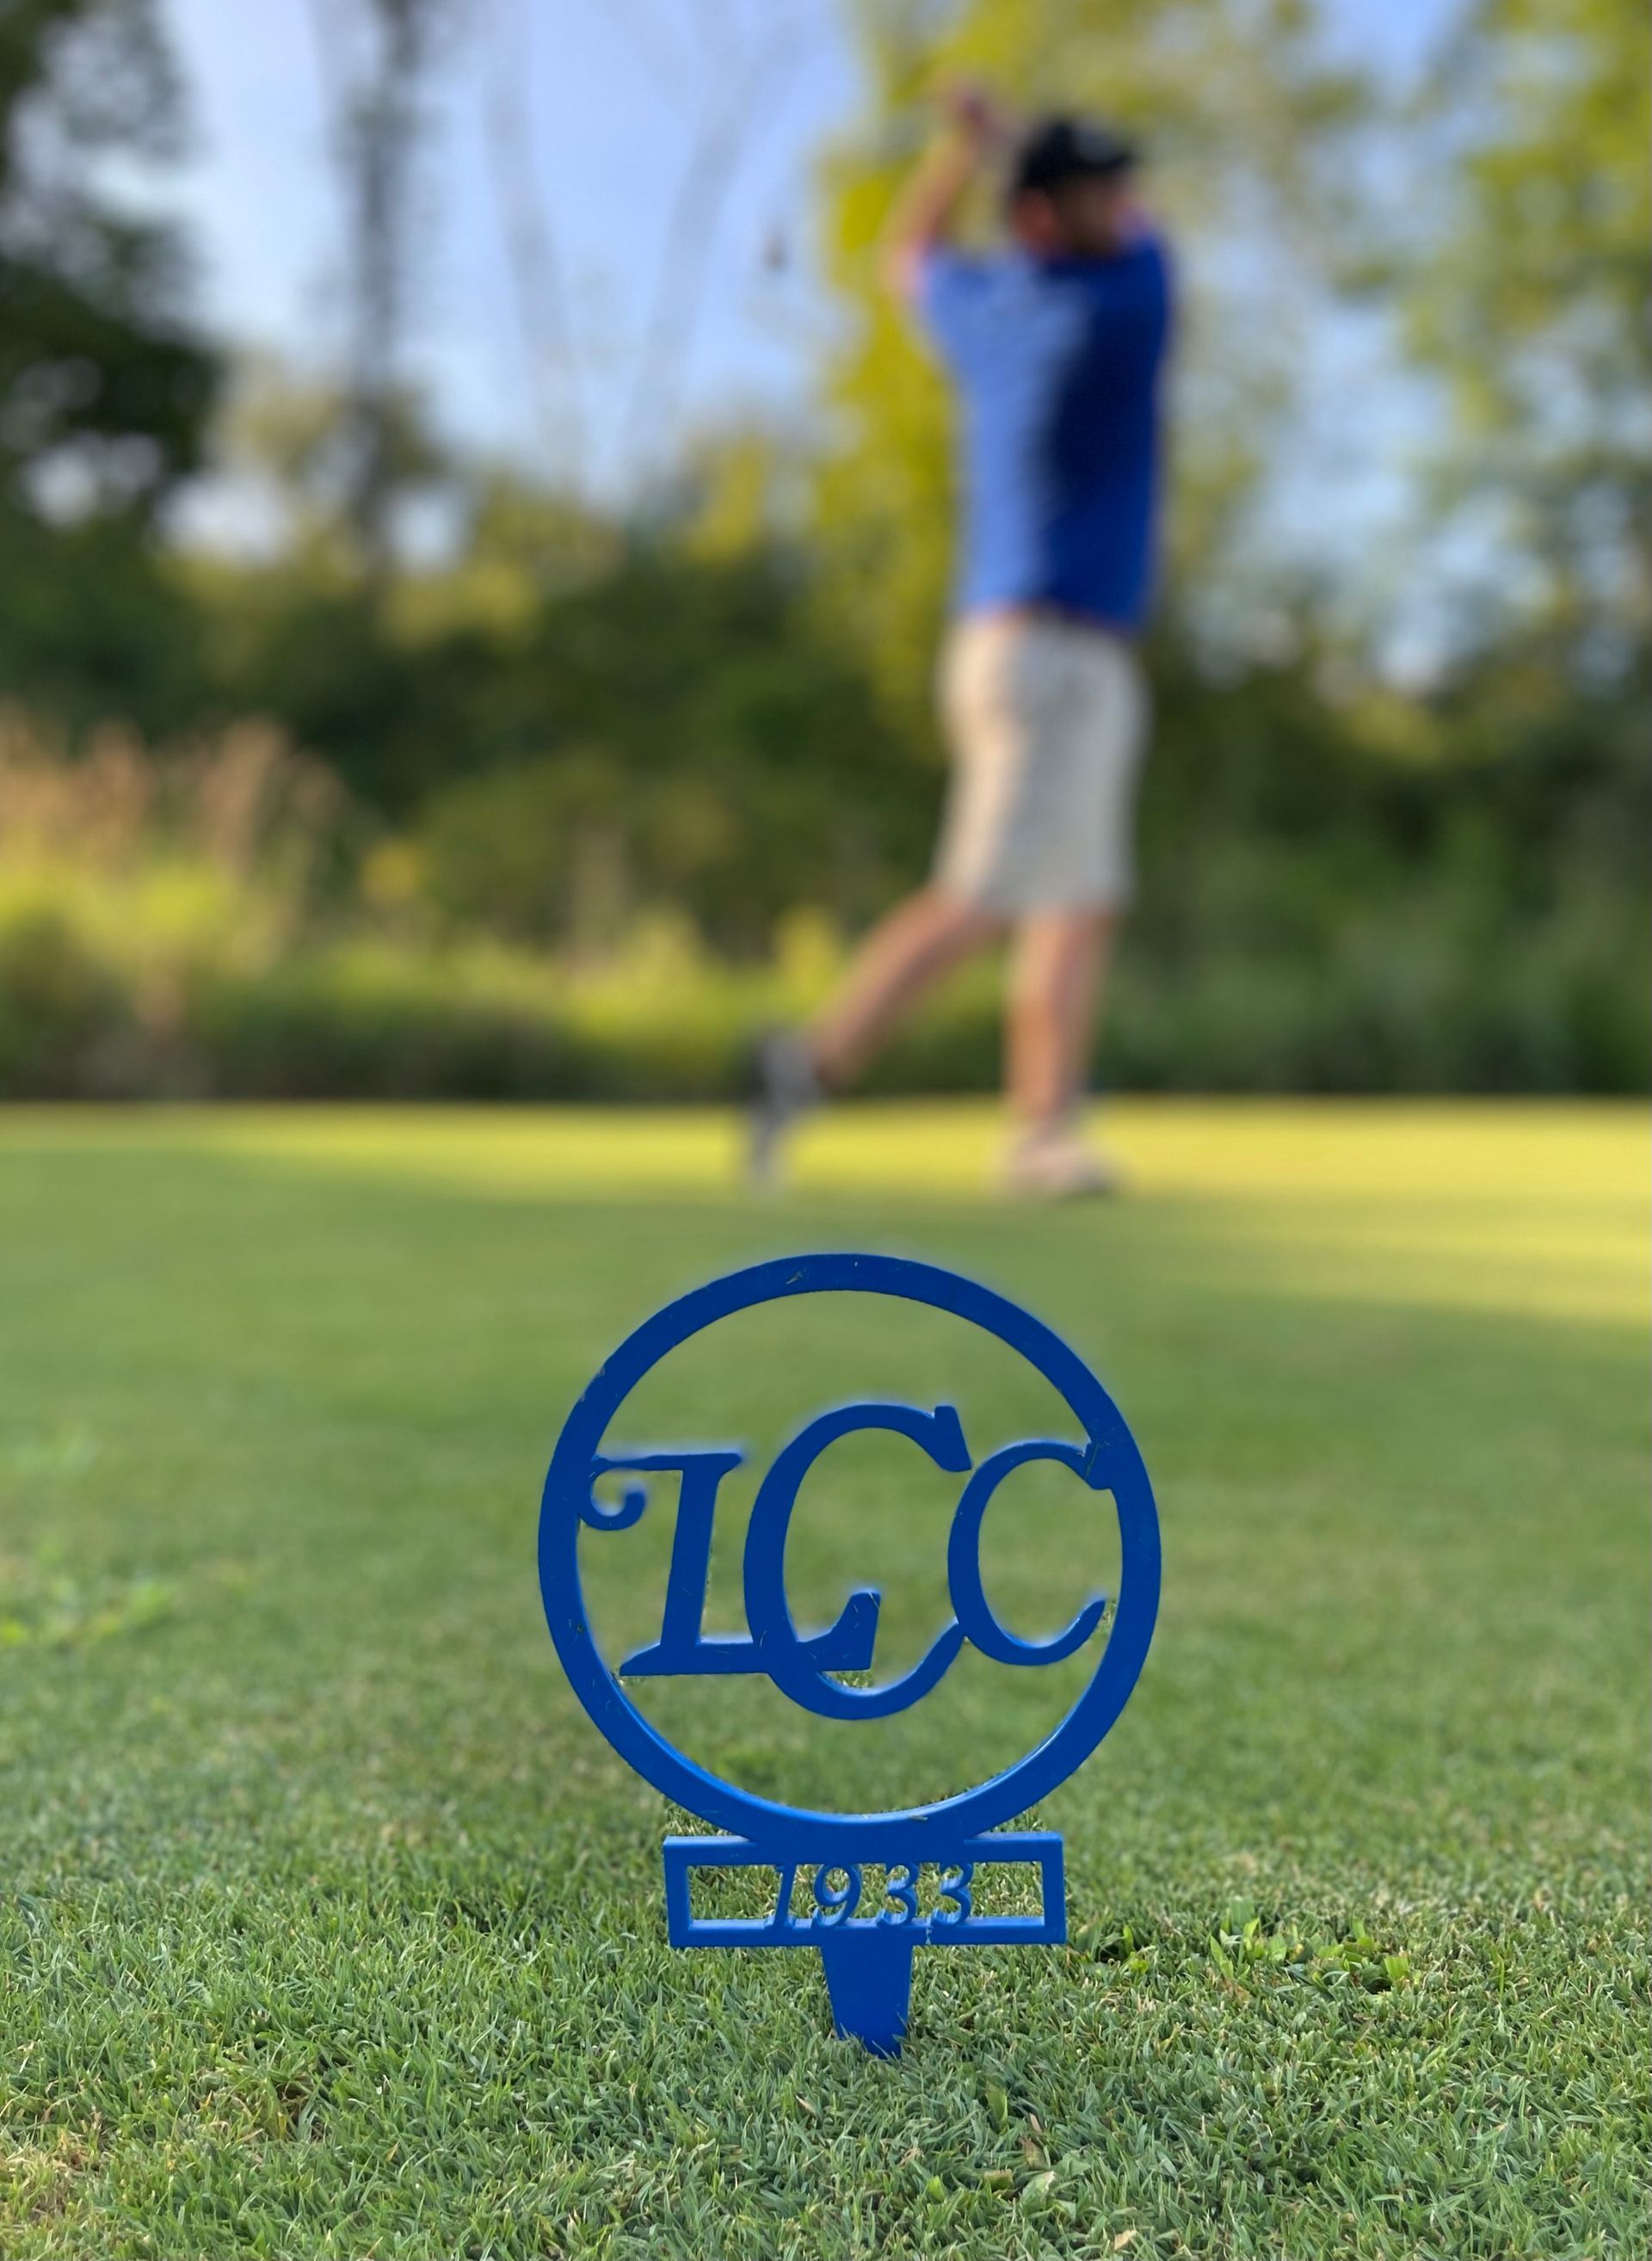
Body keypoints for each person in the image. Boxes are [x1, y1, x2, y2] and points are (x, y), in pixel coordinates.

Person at [749, 86, 1174, 1197]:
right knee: (988, 897)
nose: (1122, 200)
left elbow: (908, 258)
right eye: (1095, 189)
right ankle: (803, 1069)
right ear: (1042, 215)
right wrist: (1007, 148)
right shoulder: (1124, 303)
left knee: (1077, 901)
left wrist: (962, 154)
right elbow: (1149, 238)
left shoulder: (987, 308)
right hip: (1050, 655)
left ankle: (1041, 1133)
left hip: (1034, 650)